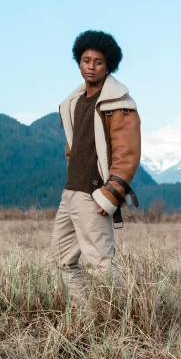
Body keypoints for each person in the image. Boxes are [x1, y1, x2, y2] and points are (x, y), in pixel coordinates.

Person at [51, 30, 141, 300]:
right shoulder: (74, 102)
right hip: (71, 192)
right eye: (85, 60)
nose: (90, 66)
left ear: (108, 66)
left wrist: (111, 195)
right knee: (61, 258)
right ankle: (85, 315)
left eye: (98, 62)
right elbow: (73, 146)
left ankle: (124, 320)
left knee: (101, 263)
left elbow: (128, 154)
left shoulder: (119, 104)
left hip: (95, 194)